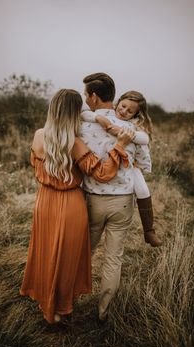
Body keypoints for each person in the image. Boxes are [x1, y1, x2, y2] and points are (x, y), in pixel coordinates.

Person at [20, 89, 133, 324]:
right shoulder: (75, 143)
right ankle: (59, 309)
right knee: (65, 258)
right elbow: (102, 173)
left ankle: (47, 306)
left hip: (44, 202)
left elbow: (34, 164)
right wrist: (120, 145)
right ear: (75, 114)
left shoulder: (39, 135)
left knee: (46, 252)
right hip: (71, 203)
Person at [80, 72, 145, 321]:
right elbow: (141, 162)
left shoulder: (83, 124)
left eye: (86, 94)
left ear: (94, 96)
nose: (86, 99)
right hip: (123, 201)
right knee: (113, 258)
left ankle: (68, 301)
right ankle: (104, 311)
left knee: (83, 252)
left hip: (93, 200)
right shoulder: (131, 128)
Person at [81, 90, 162, 248]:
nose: (124, 111)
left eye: (130, 111)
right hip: (106, 177)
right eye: (123, 106)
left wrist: (122, 133)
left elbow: (144, 141)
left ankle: (149, 230)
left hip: (126, 168)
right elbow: (84, 114)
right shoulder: (98, 118)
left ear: (136, 114)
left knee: (144, 191)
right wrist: (100, 118)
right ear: (118, 103)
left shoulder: (133, 128)